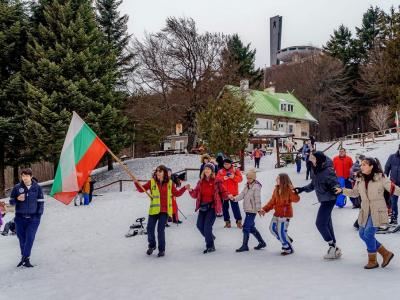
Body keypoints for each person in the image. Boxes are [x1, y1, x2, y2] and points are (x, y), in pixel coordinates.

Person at [337, 157, 400, 269]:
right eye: (361, 164)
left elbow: (393, 188)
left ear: (371, 166)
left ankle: (373, 261)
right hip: (365, 210)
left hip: (377, 210)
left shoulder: (380, 177)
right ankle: (386, 253)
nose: (362, 166)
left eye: (365, 164)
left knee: (368, 234)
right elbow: (355, 193)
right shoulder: (359, 178)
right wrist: (342, 190)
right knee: (362, 234)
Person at [294, 151, 342, 260]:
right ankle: (334, 248)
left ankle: (332, 246)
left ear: (318, 160)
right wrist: (301, 189)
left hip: (329, 200)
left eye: (312, 157)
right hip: (324, 199)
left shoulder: (327, 171)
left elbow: (336, 183)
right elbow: (313, 185)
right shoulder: (316, 169)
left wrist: (336, 189)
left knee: (320, 223)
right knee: (327, 223)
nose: (310, 159)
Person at [134, 165, 189, 257]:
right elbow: (141, 189)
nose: (158, 172)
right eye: (157, 171)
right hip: (154, 210)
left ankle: (162, 249)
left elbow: (177, 193)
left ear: (164, 173)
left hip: (164, 210)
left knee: (160, 230)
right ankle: (152, 246)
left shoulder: (170, 183)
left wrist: (184, 188)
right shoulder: (152, 182)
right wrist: (136, 182)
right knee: (150, 229)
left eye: (160, 171)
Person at [189, 163, 231, 253]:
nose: (207, 170)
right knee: (199, 225)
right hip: (202, 207)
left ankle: (210, 245)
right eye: (206, 169)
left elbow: (223, 191)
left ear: (212, 171)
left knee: (207, 227)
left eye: (209, 169)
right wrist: (190, 190)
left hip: (212, 207)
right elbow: (195, 194)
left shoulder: (216, 181)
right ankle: (210, 237)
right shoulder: (200, 182)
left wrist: (228, 196)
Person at [9, 168, 44, 268]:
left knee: (30, 238)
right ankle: (25, 259)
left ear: (31, 176)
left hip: (33, 219)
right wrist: (17, 199)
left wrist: (39, 215)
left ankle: (25, 258)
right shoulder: (17, 188)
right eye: (23, 176)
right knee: (22, 239)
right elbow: (11, 203)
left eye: (26, 176)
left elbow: (41, 202)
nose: (24, 178)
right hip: (20, 218)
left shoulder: (37, 187)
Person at [260, 173, 300, 255]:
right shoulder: (276, 189)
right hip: (277, 213)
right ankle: (286, 239)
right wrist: (264, 209)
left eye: (278, 178)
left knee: (281, 233)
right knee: (272, 229)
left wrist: (293, 191)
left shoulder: (289, 189)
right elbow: (272, 202)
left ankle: (288, 248)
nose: (276, 180)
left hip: (284, 215)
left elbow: (296, 200)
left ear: (283, 180)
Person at [233, 169, 266, 252]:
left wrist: (258, 209)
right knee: (251, 228)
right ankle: (262, 242)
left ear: (254, 178)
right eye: (247, 178)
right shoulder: (247, 185)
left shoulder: (256, 187)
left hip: (252, 210)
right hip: (247, 209)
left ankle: (245, 246)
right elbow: (242, 195)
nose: (248, 180)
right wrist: (234, 199)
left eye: (250, 178)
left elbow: (257, 199)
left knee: (246, 227)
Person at [216, 158, 243, 228]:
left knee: (235, 207)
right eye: (225, 164)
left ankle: (238, 221)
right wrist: (223, 178)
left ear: (231, 164)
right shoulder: (220, 171)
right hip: (224, 193)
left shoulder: (235, 170)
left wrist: (233, 177)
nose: (226, 165)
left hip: (233, 193)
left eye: (228, 164)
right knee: (224, 208)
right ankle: (227, 222)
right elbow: (217, 180)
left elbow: (240, 179)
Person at [384, 145, 400, 225]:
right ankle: (394, 218)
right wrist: (384, 178)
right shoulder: (392, 157)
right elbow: (387, 168)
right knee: (393, 201)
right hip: (393, 183)